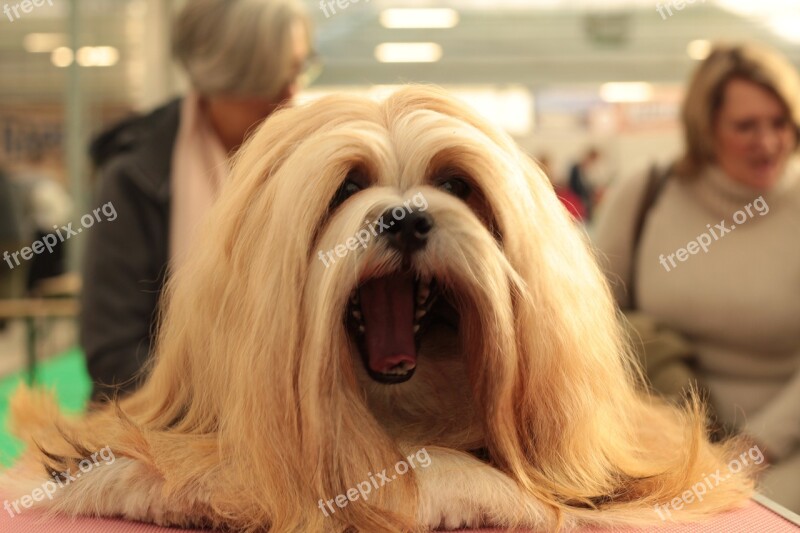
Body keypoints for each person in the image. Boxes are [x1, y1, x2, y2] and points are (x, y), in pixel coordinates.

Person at [593, 42, 800, 512]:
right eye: (746, 126)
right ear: (705, 129)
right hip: (652, 434)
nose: (767, 142)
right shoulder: (646, 195)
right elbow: (587, 314)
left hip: (784, 444)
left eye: (779, 122)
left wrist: (754, 447)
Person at [82, 0, 313, 401]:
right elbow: (114, 356)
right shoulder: (135, 178)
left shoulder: (307, 169)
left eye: (297, 71)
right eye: (272, 81)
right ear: (220, 82)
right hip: (162, 422)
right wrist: (233, 407)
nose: (291, 95)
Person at [567, 147, 600, 221]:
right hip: (577, 197)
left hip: (585, 198)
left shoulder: (589, 170)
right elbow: (575, 185)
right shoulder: (577, 168)